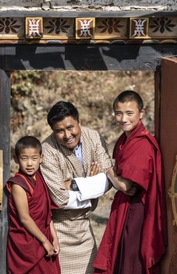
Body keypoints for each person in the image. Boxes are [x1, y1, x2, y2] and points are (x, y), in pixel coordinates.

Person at [93, 90, 167, 274]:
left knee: (131, 261)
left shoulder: (142, 144)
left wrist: (107, 169)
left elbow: (126, 186)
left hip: (138, 211)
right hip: (126, 207)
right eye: (119, 113)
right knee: (120, 256)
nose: (123, 119)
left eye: (129, 113)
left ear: (141, 113)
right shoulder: (125, 139)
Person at [40, 101, 112, 274]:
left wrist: (72, 184)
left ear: (79, 122)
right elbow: (60, 198)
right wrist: (91, 184)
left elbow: (108, 179)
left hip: (85, 230)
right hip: (60, 230)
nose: (67, 135)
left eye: (70, 127)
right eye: (59, 131)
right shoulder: (47, 149)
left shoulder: (93, 137)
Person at [6, 136, 61, 274]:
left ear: (41, 158)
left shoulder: (40, 179)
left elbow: (47, 214)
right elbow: (25, 218)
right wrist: (44, 242)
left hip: (44, 236)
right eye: (24, 158)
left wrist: (54, 238)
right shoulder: (19, 184)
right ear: (16, 158)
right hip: (29, 243)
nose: (29, 163)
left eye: (34, 158)